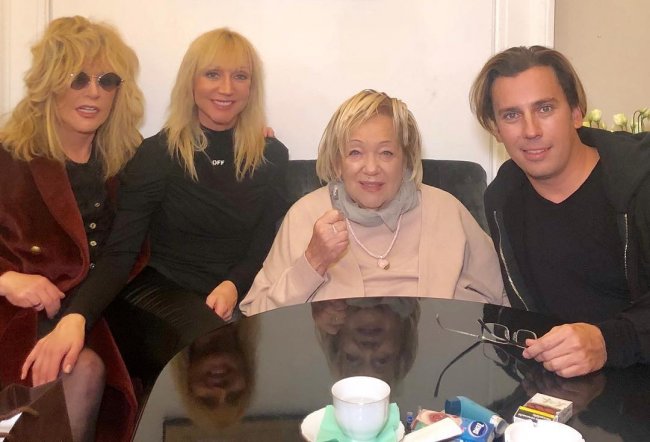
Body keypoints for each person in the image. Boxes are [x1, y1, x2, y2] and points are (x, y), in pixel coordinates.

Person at [70, 28, 288, 383]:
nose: (226, 88)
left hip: (236, 286)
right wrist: (77, 316)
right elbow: (121, 251)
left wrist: (233, 284)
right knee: (215, 346)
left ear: (252, 87)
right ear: (191, 81)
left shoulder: (271, 156)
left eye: (240, 76)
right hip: (160, 287)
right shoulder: (158, 155)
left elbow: (266, 239)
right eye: (212, 74)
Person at [0, 16, 144, 442]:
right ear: (49, 83)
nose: (93, 92)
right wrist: (6, 279)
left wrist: (249, 141)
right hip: (18, 314)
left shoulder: (129, 160)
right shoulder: (9, 155)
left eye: (106, 80)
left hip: (93, 311)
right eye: (78, 78)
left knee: (86, 368)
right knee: (81, 370)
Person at [240, 89, 506, 315]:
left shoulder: (446, 211)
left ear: (406, 160)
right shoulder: (305, 215)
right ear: (337, 162)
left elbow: (506, 297)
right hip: (333, 360)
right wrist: (312, 262)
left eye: (386, 153)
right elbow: (255, 316)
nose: (371, 168)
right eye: (355, 152)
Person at [470, 45, 650, 378]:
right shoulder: (503, 200)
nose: (531, 130)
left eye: (545, 108)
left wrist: (608, 341)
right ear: (495, 129)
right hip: (563, 387)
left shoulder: (640, 183)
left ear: (576, 113)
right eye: (511, 115)